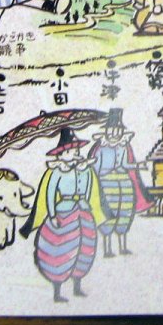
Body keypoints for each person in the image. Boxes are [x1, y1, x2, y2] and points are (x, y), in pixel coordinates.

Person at [21, 127, 106, 302]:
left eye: (75, 150)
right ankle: (57, 291)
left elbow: (88, 189)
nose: (73, 154)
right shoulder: (57, 172)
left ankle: (77, 286)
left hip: (83, 212)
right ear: (60, 155)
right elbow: (50, 194)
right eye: (69, 151)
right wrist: (52, 215)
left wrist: (87, 205)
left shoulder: (84, 169)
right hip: (63, 213)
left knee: (84, 249)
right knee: (59, 251)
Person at [87, 109, 151, 257]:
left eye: (118, 131)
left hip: (124, 184)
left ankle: (123, 246)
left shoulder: (123, 147)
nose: (114, 135)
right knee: (108, 216)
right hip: (107, 185)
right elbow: (96, 168)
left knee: (124, 214)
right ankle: (107, 249)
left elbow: (125, 164)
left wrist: (138, 165)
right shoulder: (101, 149)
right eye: (111, 131)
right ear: (106, 131)